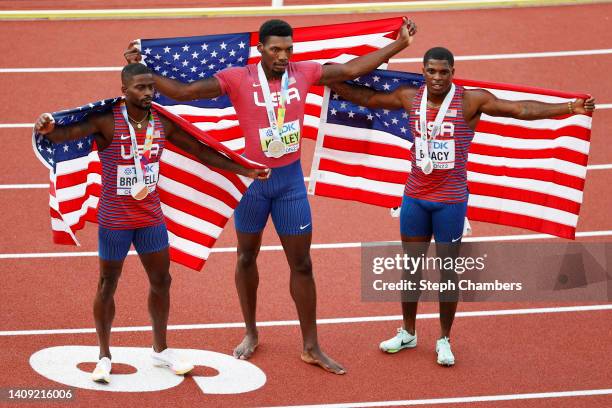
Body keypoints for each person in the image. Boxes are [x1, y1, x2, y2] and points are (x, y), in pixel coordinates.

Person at [124, 17, 417, 374]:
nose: (282, 56)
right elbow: (186, 92)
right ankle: (250, 332)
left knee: (303, 263)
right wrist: (142, 72)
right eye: (275, 49)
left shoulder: (305, 72)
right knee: (246, 256)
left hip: (289, 183)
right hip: (252, 183)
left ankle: (311, 346)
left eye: (288, 49)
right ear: (260, 48)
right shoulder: (237, 78)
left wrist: (399, 45)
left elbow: (352, 67)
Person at [330, 46, 596, 366]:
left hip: (451, 201)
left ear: (453, 73)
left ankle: (444, 339)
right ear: (424, 71)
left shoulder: (470, 101)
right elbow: (369, 99)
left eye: (444, 72)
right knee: (411, 269)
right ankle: (408, 331)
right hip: (414, 196)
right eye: (432, 71)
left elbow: (519, 109)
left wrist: (569, 107)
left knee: (447, 274)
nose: (438, 77)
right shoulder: (408, 97)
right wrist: (330, 82)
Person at [34, 63, 270, 384]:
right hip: (115, 218)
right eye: (141, 88)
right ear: (124, 90)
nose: (148, 93)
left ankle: (160, 350)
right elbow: (68, 133)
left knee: (162, 281)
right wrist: (49, 129)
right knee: (107, 284)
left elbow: (201, 151)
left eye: (151, 87)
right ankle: (103, 355)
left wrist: (245, 170)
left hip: (150, 217)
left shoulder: (162, 123)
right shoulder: (107, 121)